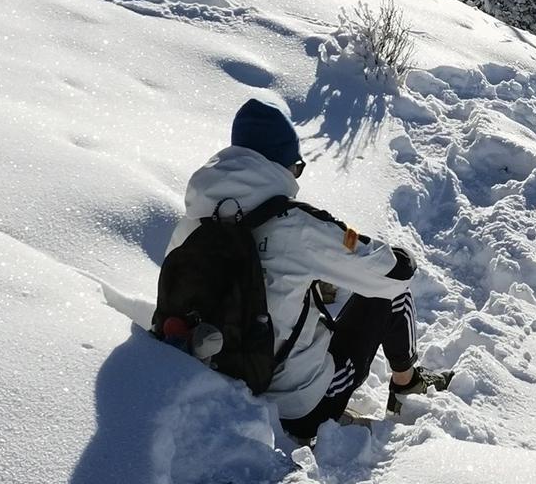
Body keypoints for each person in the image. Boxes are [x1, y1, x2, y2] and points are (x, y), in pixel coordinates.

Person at [165, 97, 452, 442]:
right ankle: (407, 387)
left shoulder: (193, 220)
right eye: (296, 167)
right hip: (296, 407)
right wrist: (400, 255)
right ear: (280, 164)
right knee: (391, 298)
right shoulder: (297, 225)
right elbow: (392, 275)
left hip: (218, 391)